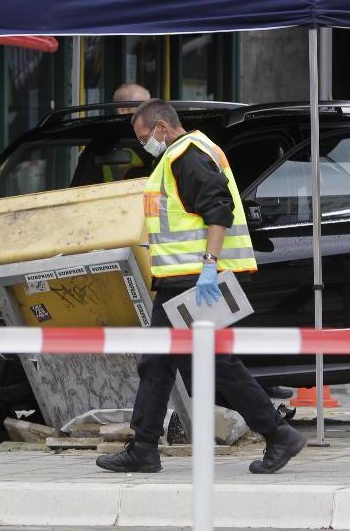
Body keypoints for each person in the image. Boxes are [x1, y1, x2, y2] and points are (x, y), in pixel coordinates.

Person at [96, 99, 306, 474]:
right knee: (160, 362)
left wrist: (209, 265)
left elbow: (218, 210)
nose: (144, 144)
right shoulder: (189, 153)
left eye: (145, 136)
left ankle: (278, 433)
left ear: (161, 126)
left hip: (196, 279)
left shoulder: (186, 157)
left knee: (206, 362)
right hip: (184, 279)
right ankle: (144, 446)